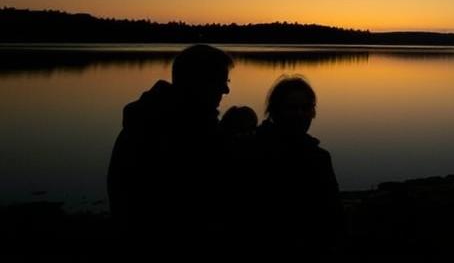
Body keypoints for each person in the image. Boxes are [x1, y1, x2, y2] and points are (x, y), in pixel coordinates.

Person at [107, 44, 233, 253]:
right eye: (221, 81)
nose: (226, 90)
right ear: (198, 83)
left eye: (226, 81)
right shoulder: (172, 132)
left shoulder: (154, 118)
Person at [249, 75, 340, 254]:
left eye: (305, 108)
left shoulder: (320, 157)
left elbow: (333, 213)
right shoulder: (252, 151)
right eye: (292, 108)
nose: (300, 114)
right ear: (275, 111)